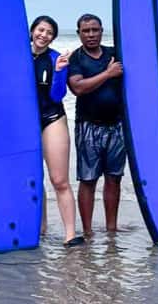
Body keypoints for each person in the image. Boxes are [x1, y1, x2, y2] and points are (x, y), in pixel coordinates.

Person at [67, 13, 125, 237]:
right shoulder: (76, 59)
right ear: (79, 33)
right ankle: (88, 232)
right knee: (88, 180)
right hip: (88, 126)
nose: (91, 34)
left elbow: (145, 57)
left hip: (117, 126)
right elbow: (78, 88)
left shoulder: (114, 53)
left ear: (102, 31)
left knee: (114, 178)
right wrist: (108, 74)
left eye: (95, 30)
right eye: (86, 31)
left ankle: (111, 230)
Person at [30, 15, 84, 247]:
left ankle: (70, 234)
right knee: (33, 178)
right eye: (41, 30)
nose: (44, 35)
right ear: (32, 31)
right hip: (24, 123)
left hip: (51, 118)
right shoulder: (16, 54)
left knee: (59, 180)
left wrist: (60, 71)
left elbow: (57, 95)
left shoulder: (55, 58)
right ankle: (39, 229)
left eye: (49, 33)